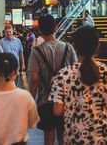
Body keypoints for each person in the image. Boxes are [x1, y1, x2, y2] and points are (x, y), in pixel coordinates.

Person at [49, 26, 107, 145]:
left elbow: (57, 111)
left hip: (74, 139)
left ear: (75, 47)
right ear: (97, 46)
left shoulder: (64, 75)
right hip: (104, 139)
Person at [28, 14, 77, 145]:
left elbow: (34, 79)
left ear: (40, 30)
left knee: (48, 138)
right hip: (65, 100)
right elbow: (76, 73)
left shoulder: (36, 52)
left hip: (45, 100)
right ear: (55, 28)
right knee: (63, 136)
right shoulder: (68, 48)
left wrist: (31, 101)